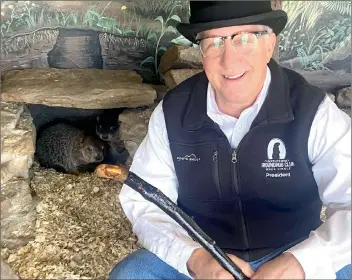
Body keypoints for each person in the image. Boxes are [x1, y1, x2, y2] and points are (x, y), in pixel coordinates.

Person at [109, 1, 351, 279]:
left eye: (244, 39)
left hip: (293, 251)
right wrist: (195, 259)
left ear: (269, 44)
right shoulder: (173, 112)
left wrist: (302, 262)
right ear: (200, 52)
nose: (229, 60)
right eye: (214, 43)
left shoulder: (313, 110)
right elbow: (145, 204)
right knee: (132, 274)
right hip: (204, 255)